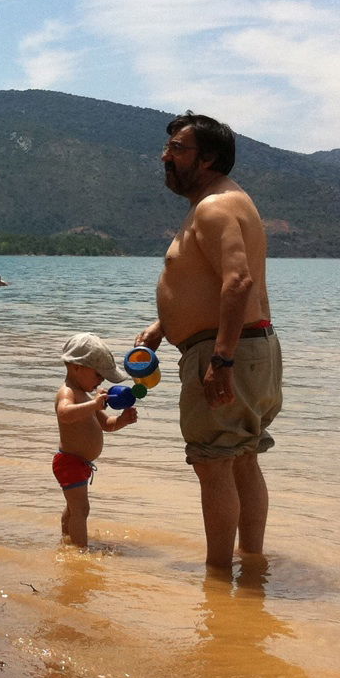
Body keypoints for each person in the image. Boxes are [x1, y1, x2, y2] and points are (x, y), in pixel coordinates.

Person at [134, 111, 281, 571]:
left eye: (178, 149)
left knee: (214, 464)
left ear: (209, 158)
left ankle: (218, 580)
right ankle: (251, 566)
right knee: (241, 459)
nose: (166, 157)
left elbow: (238, 283)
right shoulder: (226, 202)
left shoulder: (215, 206)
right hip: (251, 345)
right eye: (168, 148)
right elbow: (212, 279)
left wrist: (221, 359)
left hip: (226, 350)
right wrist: (165, 325)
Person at [53, 333, 137, 548]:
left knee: (74, 508)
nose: (101, 380)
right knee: (81, 509)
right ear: (76, 367)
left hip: (80, 464)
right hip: (69, 463)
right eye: (98, 375)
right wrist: (94, 405)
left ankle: (67, 539)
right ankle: (81, 552)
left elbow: (107, 425)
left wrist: (123, 420)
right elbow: (64, 413)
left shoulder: (88, 398)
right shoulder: (68, 392)